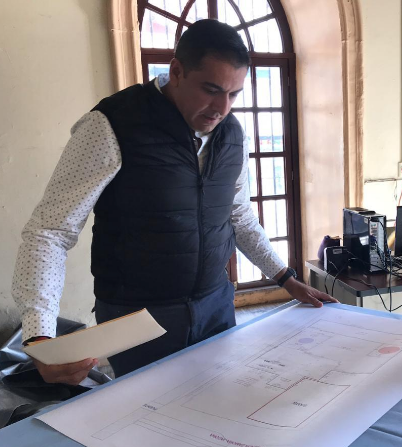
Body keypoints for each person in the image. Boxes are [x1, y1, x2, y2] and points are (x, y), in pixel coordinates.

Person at [12, 19, 336, 385]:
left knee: (220, 404)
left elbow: (239, 216)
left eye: (233, 94)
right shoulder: (111, 125)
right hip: (136, 318)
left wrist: (286, 279)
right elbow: (50, 231)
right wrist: (40, 337)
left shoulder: (232, 135)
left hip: (215, 306)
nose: (222, 108)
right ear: (177, 71)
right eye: (211, 90)